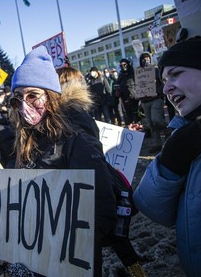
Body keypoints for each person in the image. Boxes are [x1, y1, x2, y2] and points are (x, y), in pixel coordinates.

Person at [8, 46, 139, 277]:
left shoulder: (76, 140)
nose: (24, 106)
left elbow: (102, 210)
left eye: (32, 96)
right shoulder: (27, 140)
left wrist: (66, 244)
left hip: (71, 259)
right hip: (39, 251)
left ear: (51, 96)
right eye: (17, 99)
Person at [133, 36, 201, 277]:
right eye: (163, 80)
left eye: (176, 74)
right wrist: (171, 160)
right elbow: (155, 208)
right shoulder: (182, 131)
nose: (166, 88)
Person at [56, 66, 146, 277]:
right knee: (120, 242)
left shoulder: (69, 115)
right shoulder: (74, 112)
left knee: (106, 243)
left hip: (91, 189)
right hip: (95, 185)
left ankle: (139, 274)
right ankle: (139, 273)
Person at [137, 52, 168, 153]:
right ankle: (157, 143)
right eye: (144, 59)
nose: (146, 61)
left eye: (147, 59)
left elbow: (164, 82)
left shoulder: (155, 70)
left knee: (156, 119)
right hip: (145, 100)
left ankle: (168, 129)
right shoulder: (138, 73)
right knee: (150, 123)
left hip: (156, 99)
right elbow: (138, 85)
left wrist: (158, 92)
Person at [116, 59, 140, 126]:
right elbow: (118, 84)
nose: (123, 66)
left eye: (124, 64)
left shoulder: (133, 73)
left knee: (136, 114)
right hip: (125, 98)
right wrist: (118, 91)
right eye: (121, 65)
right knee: (128, 115)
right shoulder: (121, 75)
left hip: (134, 97)